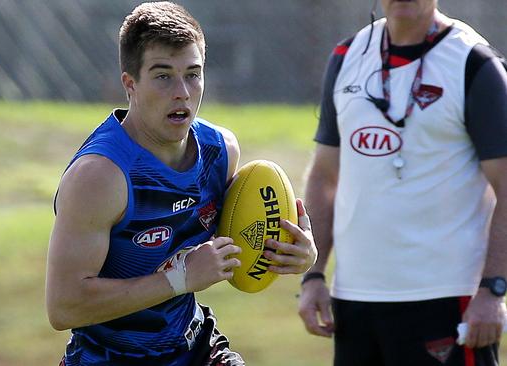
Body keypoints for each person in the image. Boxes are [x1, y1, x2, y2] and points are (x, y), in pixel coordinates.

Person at [45, 2, 317, 365]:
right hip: (108, 358)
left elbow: (237, 236)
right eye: (163, 75)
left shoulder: (220, 153)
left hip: (195, 349)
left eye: (193, 73)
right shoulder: (100, 177)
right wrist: (179, 279)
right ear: (130, 84)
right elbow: (64, 307)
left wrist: (292, 252)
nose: (182, 92)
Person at [299, 0, 507, 365]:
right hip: (355, 301)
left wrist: (494, 288)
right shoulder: (347, 55)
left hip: (446, 300)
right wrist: (313, 274)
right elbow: (325, 176)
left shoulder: (474, 63)